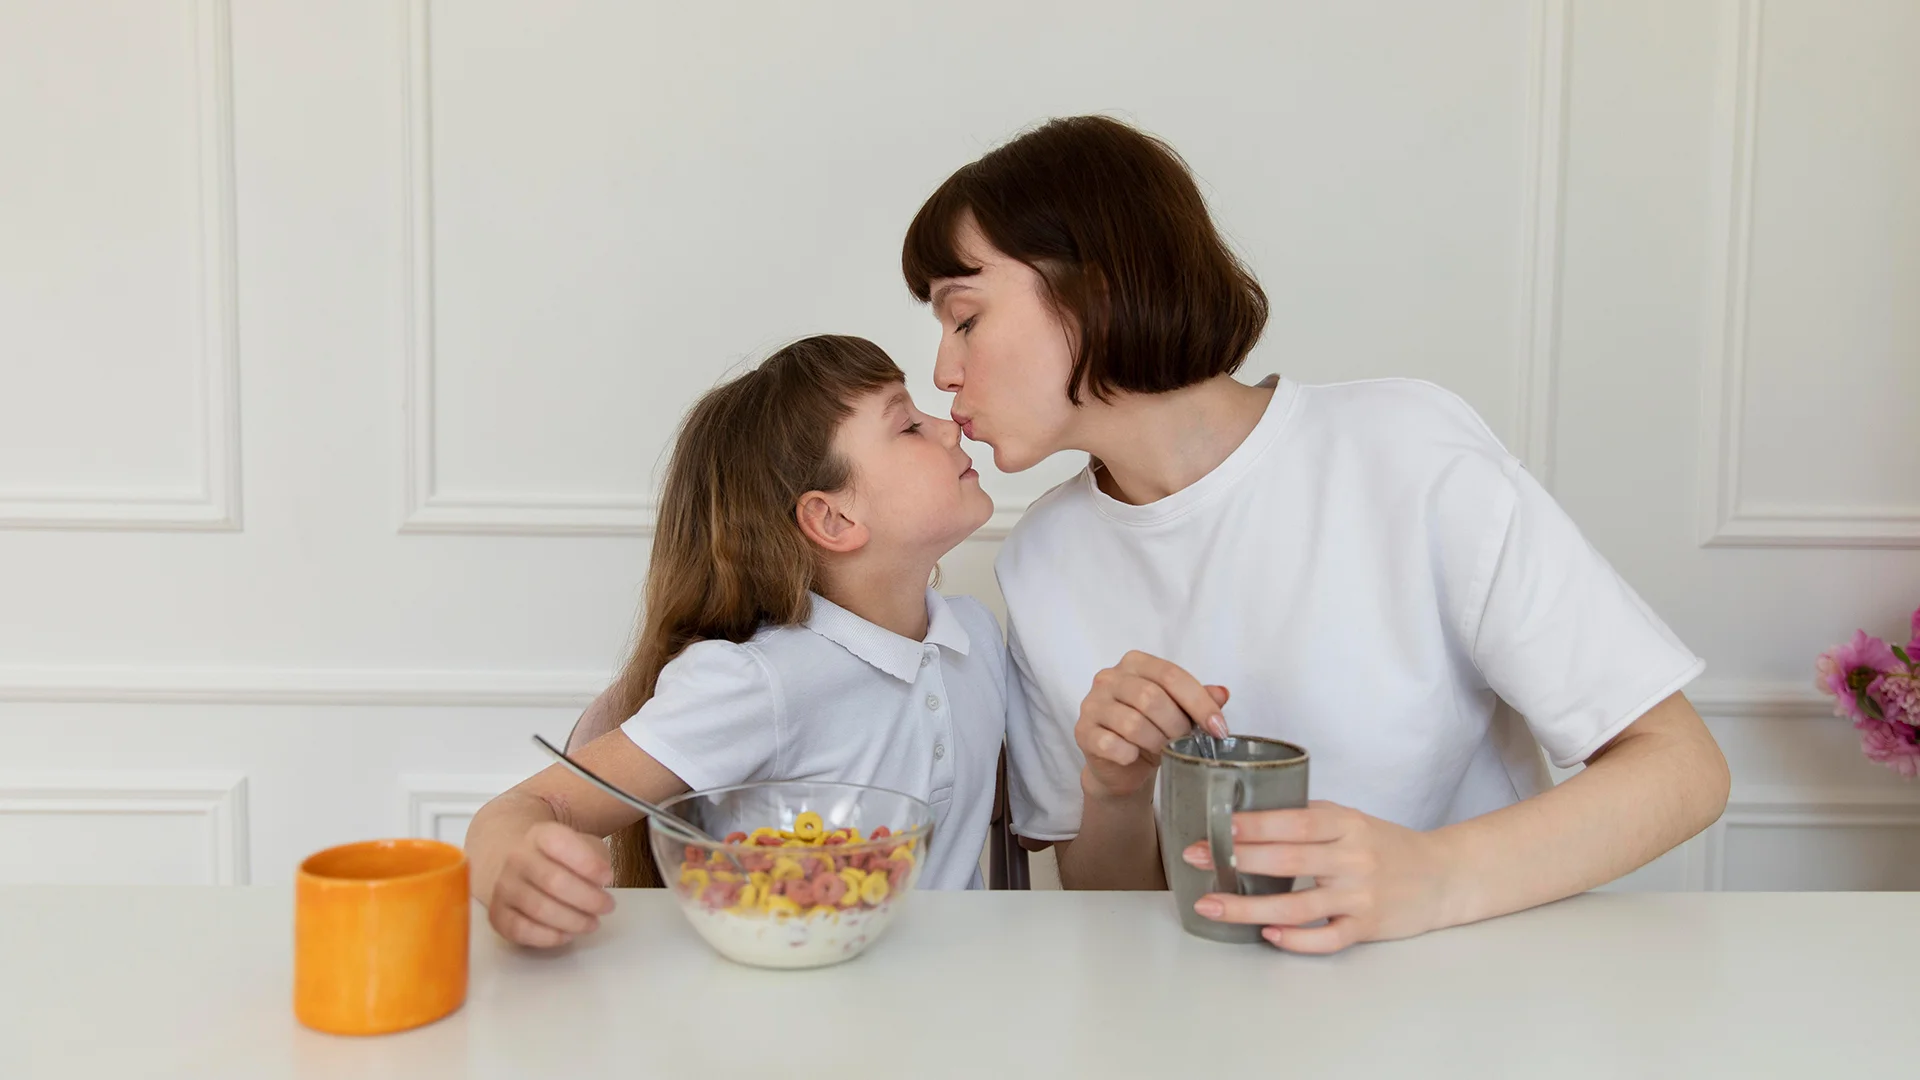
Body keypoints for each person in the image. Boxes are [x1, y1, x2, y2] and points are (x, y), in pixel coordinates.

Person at [900, 115, 1731, 953]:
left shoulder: (1405, 449)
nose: (942, 371)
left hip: (1479, 1007)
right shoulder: (1045, 557)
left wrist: (1433, 875)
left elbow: (1681, 767)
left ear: (1096, 290)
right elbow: (1111, 906)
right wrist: (1116, 791)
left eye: (964, 317)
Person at [464, 335, 1015, 947]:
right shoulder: (757, 680)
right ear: (833, 519)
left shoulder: (977, 637)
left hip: (960, 1004)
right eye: (908, 425)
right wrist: (508, 860)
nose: (950, 427)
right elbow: (541, 805)